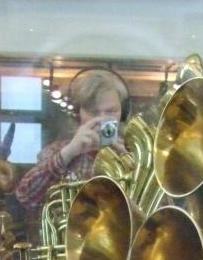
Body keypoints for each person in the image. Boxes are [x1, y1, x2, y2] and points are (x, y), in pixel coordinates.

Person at [15, 67, 129, 212]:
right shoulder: (57, 151)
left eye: (111, 111)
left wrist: (129, 164)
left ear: (122, 114)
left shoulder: (134, 154)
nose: (102, 120)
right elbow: (25, 196)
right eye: (93, 112)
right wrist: (68, 153)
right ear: (77, 113)